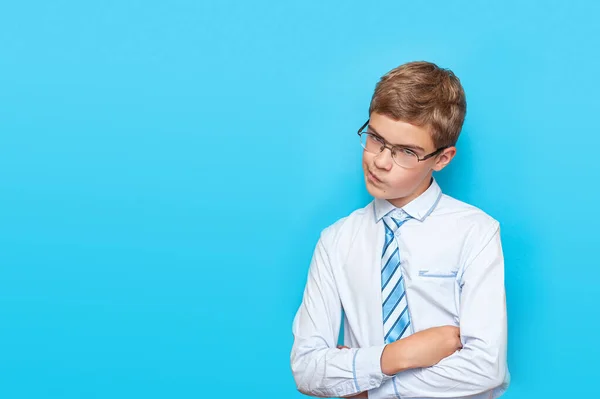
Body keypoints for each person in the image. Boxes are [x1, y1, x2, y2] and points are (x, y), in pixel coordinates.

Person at [290, 61, 510, 399]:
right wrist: (397, 356)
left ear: (442, 158)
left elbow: (485, 367)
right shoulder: (337, 241)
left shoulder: (475, 233)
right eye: (376, 139)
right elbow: (307, 369)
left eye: (406, 151)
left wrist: (366, 389)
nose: (380, 161)